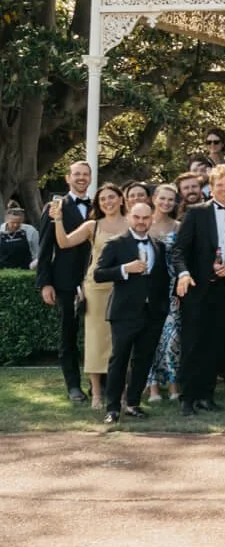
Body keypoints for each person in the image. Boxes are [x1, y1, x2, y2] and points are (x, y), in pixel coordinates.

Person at [46, 181, 127, 411]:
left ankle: (120, 394)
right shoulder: (93, 225)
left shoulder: (134, 223)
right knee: (95, 341)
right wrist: (58, 220)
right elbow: (64, 242)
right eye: (102, 199)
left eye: (111, 197)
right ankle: (97, 395)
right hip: (97, 288)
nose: (107, 202)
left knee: (120, 342)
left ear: (121, 199)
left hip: (125, 287)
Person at [91, 199, 172, 424]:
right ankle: (113, 408)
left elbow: (163, 280)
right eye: (137, 217)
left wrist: (162, 308)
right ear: (129, 217)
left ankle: (134, 404)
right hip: (124, 313)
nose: (141, 222)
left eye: (146, 218)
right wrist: (125, 269)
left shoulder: (159, 246)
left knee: (143, 360)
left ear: (152, 219)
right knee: (119, 360)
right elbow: (99, 274)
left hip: (152, 314)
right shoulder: (116, 243)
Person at [174, 162, 225, 415]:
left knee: (216, 345)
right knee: (193, 344)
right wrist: (183, 274)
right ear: (211, 187)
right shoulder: (196, 213)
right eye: (220, 185)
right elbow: (179, 250)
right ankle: (187, 398)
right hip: (196, 288)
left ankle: (206, 395)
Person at [145, 183, 184, 404]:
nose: (166, 203)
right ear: (154, 198)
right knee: (149, 338)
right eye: (163, 198)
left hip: (172, 289)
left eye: (171, 199)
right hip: (148, 288)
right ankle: (152, 388)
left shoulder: (178, 226)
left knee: (171, 339)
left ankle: (173, 384)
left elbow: (182, 257)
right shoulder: (143, 223)